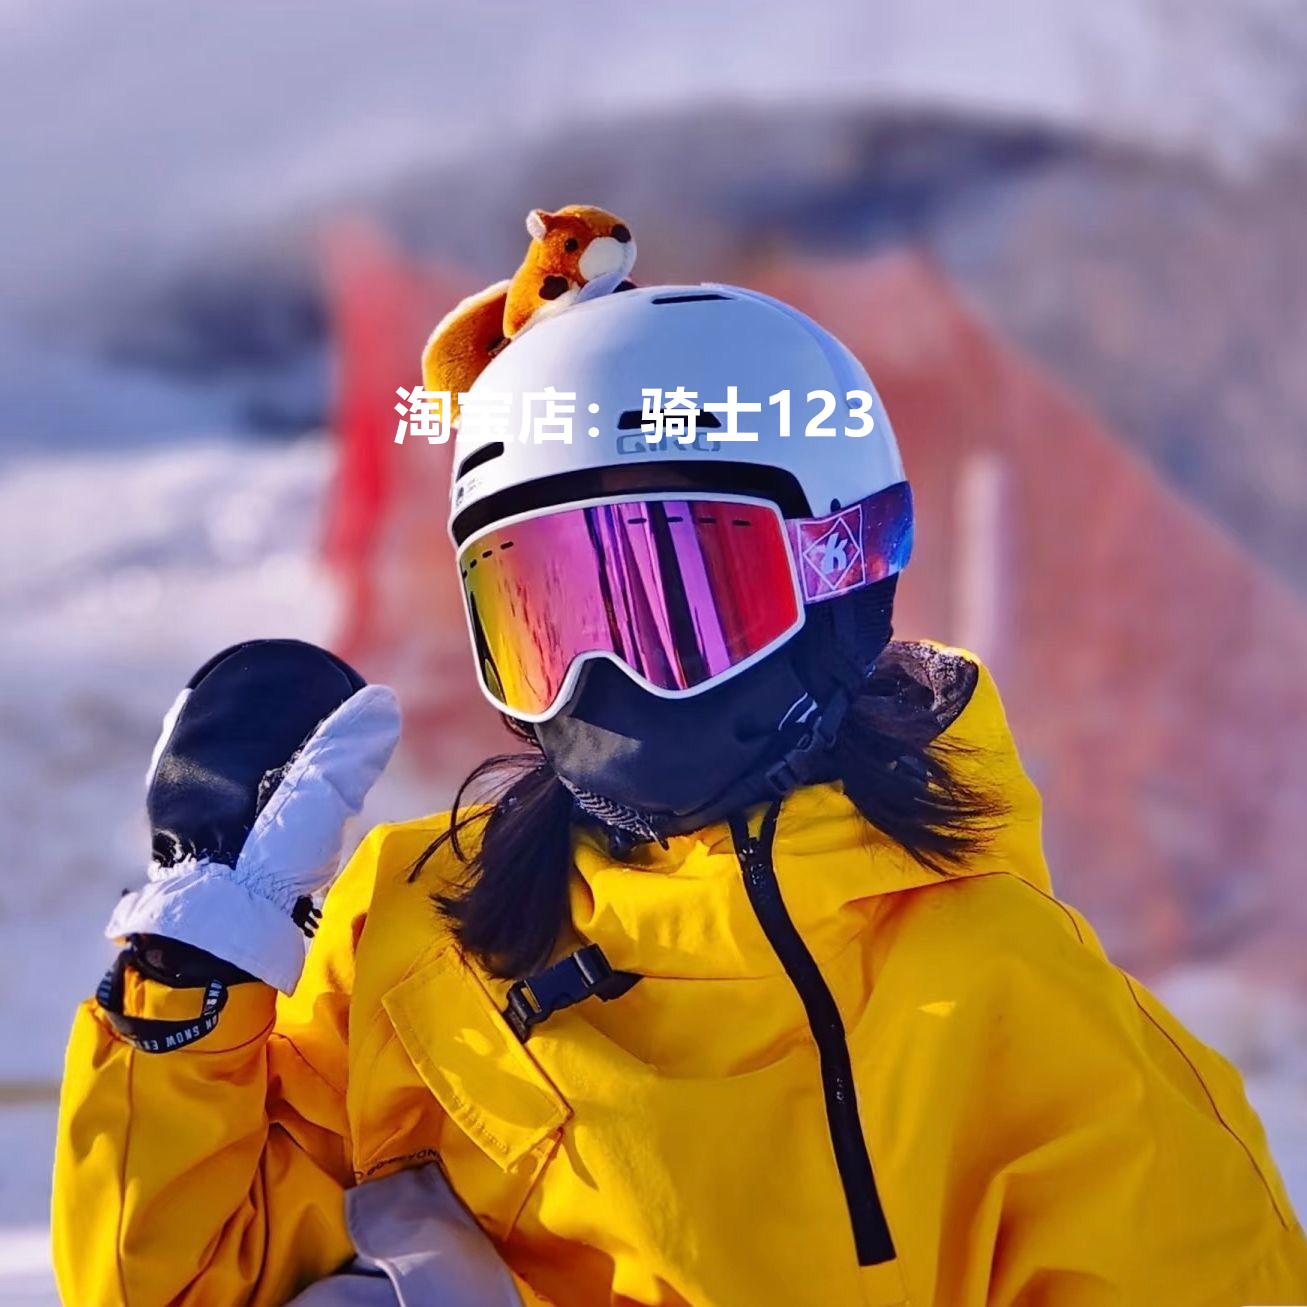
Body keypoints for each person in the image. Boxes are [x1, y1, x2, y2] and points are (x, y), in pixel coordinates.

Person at [54, 284, 1307, 1306]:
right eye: (543, 617)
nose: (603, 679)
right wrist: (188, 978)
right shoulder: (421, 929)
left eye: (679, 607)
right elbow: (173, 1286)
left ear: (839, 579)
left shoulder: (1020, 1017)